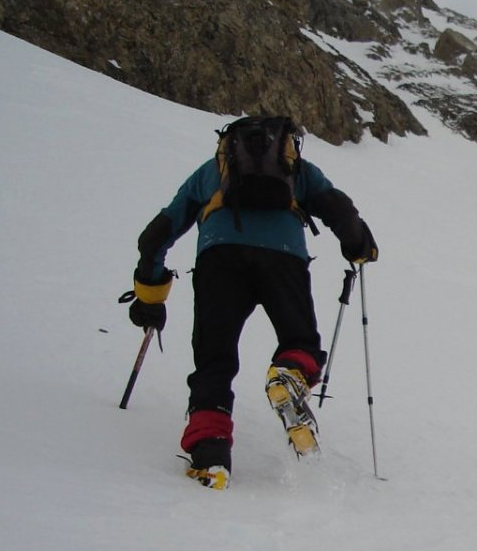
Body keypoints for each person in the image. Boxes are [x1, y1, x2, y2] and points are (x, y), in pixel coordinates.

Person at [124, 115, 377, 488]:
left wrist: (150, 294)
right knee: (300, 343)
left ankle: (210, 456)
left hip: (218, 260)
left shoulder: (210, 174)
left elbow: (155, 236)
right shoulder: (299, 171)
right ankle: (289, 374)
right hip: (284, 259)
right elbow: (340, 212)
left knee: (215, 359)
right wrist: (359, 247)